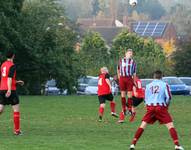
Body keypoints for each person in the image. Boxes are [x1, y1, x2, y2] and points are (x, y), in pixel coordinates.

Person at [129, 70, 184, 150]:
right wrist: (166, 105)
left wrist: (147, 106)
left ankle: (133, 144)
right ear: (162, 77)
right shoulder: (165, 85)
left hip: (150, 107)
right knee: (170, 126)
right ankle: (177, 145)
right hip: (161, 107)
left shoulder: (148, 85)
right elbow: (169, 97)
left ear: (154, 77)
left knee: (143, 125)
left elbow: (145, 98)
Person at [0, 51, 24, 135]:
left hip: (2, 89)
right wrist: (9, 90)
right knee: (16, 109)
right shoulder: (12, 65)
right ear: (13, 56)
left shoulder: (3, 65)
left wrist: (16, 82)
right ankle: (17, 131)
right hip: (10, 90)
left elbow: (5, 78)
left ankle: (17, 130)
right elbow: (9, 78)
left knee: (1, 109)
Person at [117, 49, 137, 123]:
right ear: (125, 54)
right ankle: (124, 109)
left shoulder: (133, 62)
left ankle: (129, 109)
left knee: (129, 95)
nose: (130, 55)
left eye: (131, 54)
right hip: (122, 78)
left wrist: (134, 81)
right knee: (123, 94)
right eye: (129, 53)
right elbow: (118, 69)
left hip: (129, 78)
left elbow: (134, 73)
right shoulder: (121, 60)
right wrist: (119, 78)